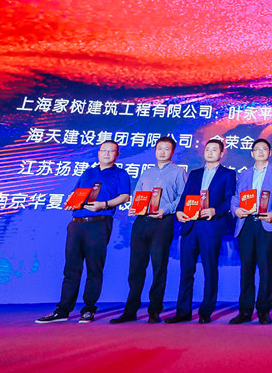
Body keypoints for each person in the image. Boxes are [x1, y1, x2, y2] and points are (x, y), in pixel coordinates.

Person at [36, 140, 131, 324]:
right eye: (104, 150)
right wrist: (70, 202)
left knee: (94, 268)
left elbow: (125, 196)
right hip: (76, 224)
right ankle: (63, 310)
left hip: (99, 223)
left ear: (117, 155)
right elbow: (75, 194)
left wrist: (104, 204)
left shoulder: (121, 174)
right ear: (98, 152)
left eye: (111, 151)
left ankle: (88, 309)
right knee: (71, 268)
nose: (107, 154)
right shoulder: (88, 172)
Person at [110, 136, 187, 324]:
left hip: (162, 222)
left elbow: (182, 197)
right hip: (140, 222)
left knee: (159, 267)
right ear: (155, 150)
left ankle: (154, 310)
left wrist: (166, 209)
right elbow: (138, 194)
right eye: (159, 148)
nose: (162, 151)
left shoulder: (179, 172)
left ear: (172, 152)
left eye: (166, 148)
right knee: (136, 268)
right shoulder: (147, 172)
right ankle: (130, 311)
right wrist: (134, 208)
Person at [167, 138, 236, 324]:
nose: (210, 152)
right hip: (190, 226)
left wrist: (215, 211)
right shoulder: (195, 173)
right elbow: (184, 196)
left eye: (214, 149)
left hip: (210, 226)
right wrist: (179, 211)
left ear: (221, 153)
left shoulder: (227, 174)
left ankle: (206, 312)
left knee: (210, 270)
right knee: (186, 270)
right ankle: (183, 311)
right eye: (208, 149)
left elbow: (230, 199)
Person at [230, 138, 272, 325]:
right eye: (257, 149)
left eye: (264, 149)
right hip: (246, 223)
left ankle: (264, 310)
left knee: (265, 267)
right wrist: (235, 210)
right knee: (246, 268)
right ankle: (245, 311)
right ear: (252, 153)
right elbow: (236, 197)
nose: (261, 152)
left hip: (266, 222)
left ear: (269, 153)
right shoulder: (244, 174)